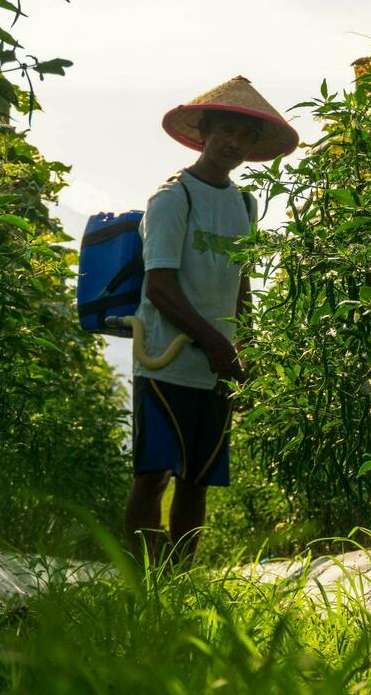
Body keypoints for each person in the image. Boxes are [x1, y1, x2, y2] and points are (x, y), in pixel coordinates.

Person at [123, 76, 299, 563]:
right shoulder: (172, 198)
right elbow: (160, 286)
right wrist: (213, 343)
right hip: (165, 360)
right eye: (225, 131)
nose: (234, 143)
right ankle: (141, 583)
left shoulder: (244, 204)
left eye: (245, 136)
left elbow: (240, 283)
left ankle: (175, 584)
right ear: (203, 132)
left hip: (217, 368)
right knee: (152, 474)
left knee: (197, 479)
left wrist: (245, 346)